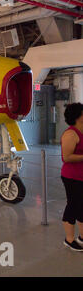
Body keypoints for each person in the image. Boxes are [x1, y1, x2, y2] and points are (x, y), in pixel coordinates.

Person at [60, 102, 83, 252]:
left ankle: (82, 236)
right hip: (72, 177)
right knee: (73, 206)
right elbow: (66, 157)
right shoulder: (70, 134)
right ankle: (69, 240)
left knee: (82, 207)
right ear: (78, 116)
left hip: (81, 176)